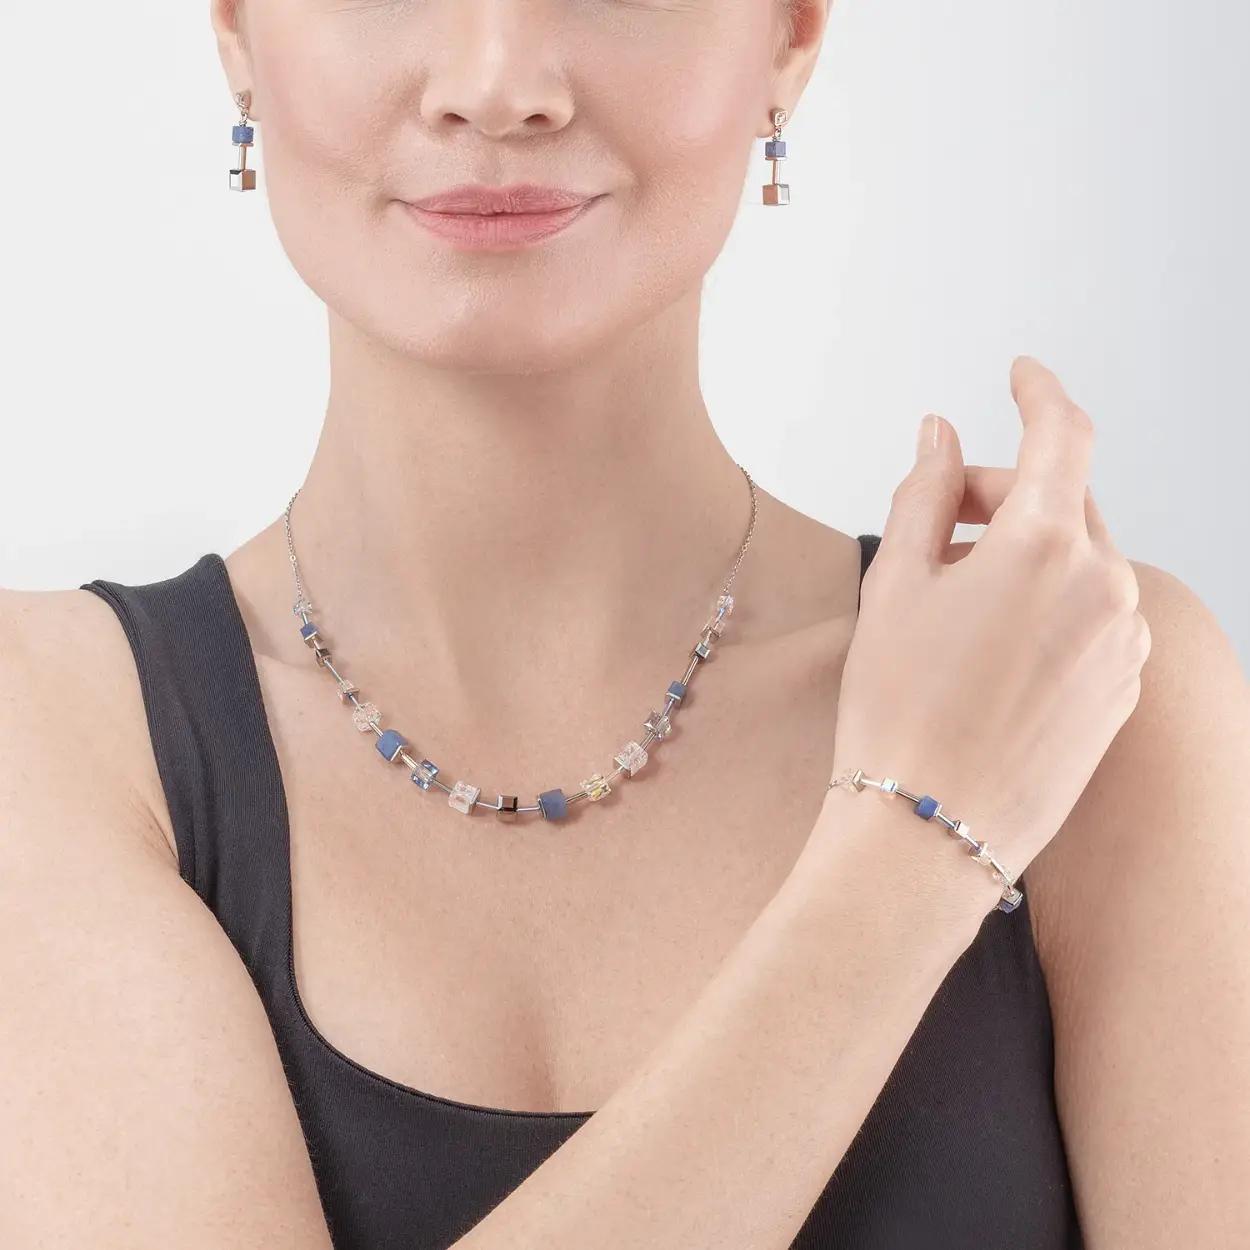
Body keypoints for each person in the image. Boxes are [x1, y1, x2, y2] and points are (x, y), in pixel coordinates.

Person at [1, 1, 1246, 1247]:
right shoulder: (56, 730)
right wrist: (913, 840)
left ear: (788, 39)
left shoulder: (1092, 695)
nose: (496, 83)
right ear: (236, 32)